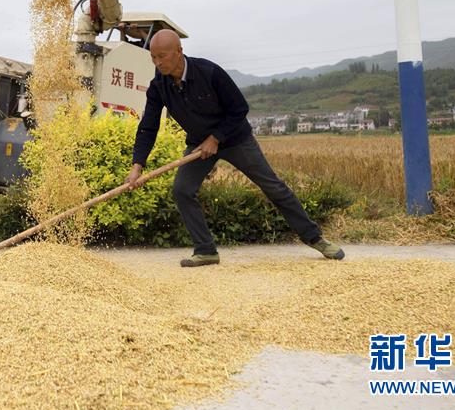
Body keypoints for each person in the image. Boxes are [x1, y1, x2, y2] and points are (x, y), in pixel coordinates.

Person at [123, 29, 345, 267]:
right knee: (182, 190)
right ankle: (206, 250)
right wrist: (138, 166)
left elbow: (239, 108)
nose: (157, 63)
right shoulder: (159, 86)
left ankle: (316, 239)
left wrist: (216, 138)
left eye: (162, 56)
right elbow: (148, 127)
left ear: (179, 51)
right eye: (153, 57)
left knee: (273, 187)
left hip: (236, 139)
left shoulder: (209, 72)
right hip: (199, 145)